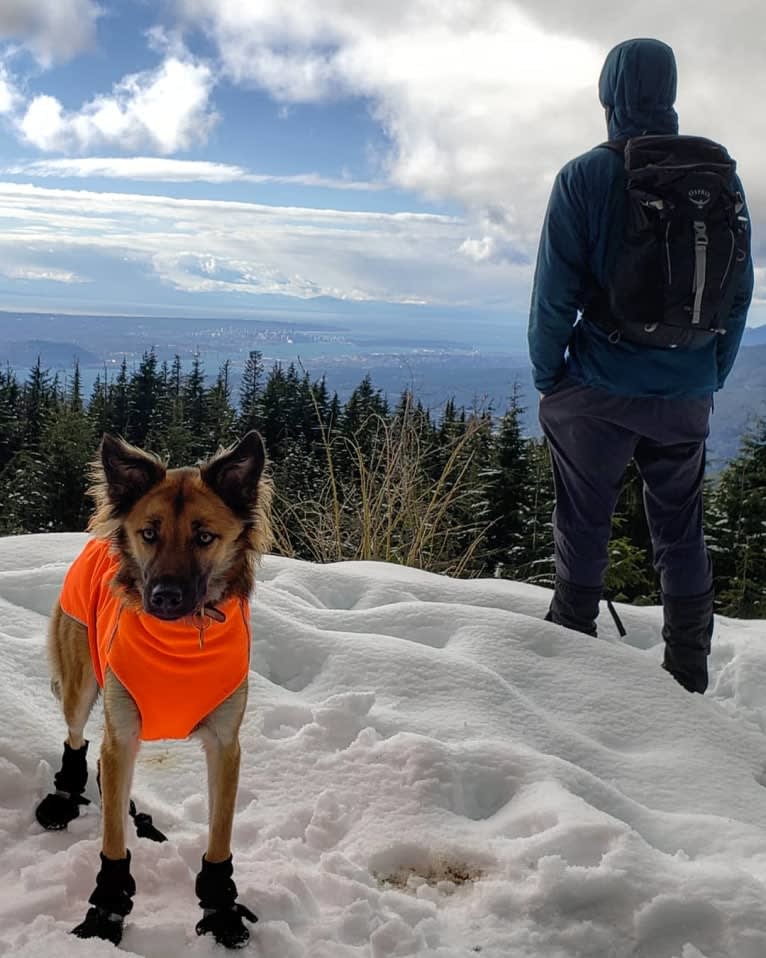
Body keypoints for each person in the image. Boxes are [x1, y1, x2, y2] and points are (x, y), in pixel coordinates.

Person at [527, 38, 753, 694]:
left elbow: (553, 299)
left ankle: (571, 639)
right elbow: (737, 294)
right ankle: (688, 668)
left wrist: (550, 379)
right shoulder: (718, 178)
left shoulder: (587, 177)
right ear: (671, 92)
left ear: (609, 94)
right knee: (680, 523)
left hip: (597, 386)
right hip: (687, 390)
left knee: (584, 513)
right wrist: (708, 374)